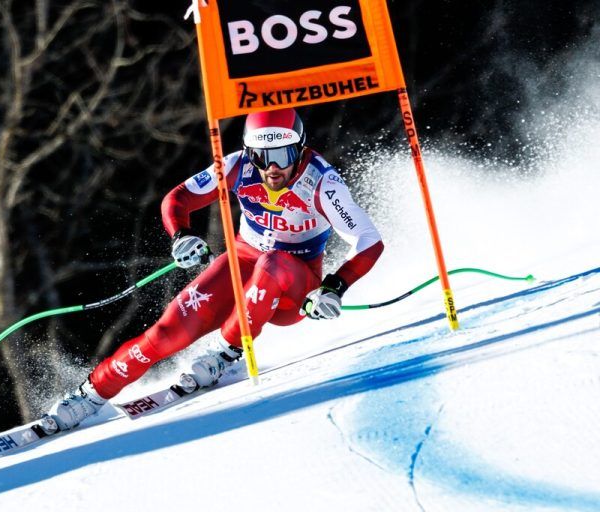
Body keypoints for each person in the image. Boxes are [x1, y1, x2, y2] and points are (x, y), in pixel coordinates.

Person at [46, 108, 384, 431]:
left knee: (273, 261)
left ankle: (227, 351)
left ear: (300, 148)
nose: (272, 169)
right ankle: (90, 394)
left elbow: (368, 240)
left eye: (282, 156)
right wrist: (181, 235)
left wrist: (335, 286)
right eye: (261, 157)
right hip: (241, 265)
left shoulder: (322, 181)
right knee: (167, 333)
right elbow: (178, 198)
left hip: (292, 289)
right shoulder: (237, 166)